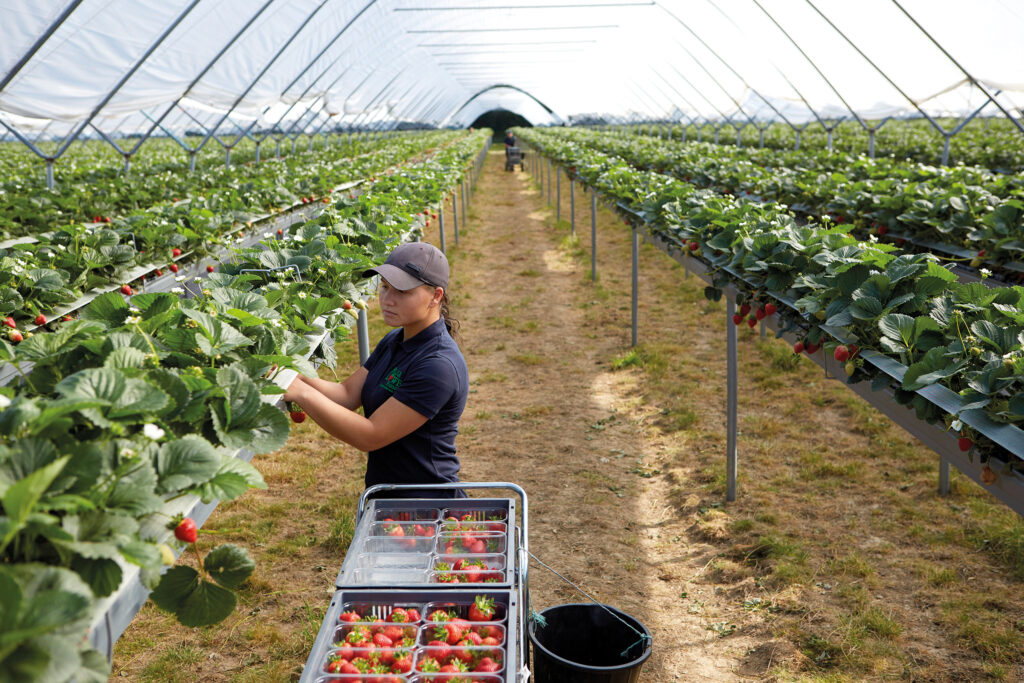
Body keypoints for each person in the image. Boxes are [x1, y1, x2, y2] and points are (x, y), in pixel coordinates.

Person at [283, 242, 469, 499]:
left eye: (402, 292)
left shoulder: (438, 365)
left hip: (426, 503)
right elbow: (347, 394)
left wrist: (302, 393)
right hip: (388, 497)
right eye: (384, 287)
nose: (387, 300)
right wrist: (295, 375)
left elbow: (370, 435)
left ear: (436, 296)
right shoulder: (396, 340)